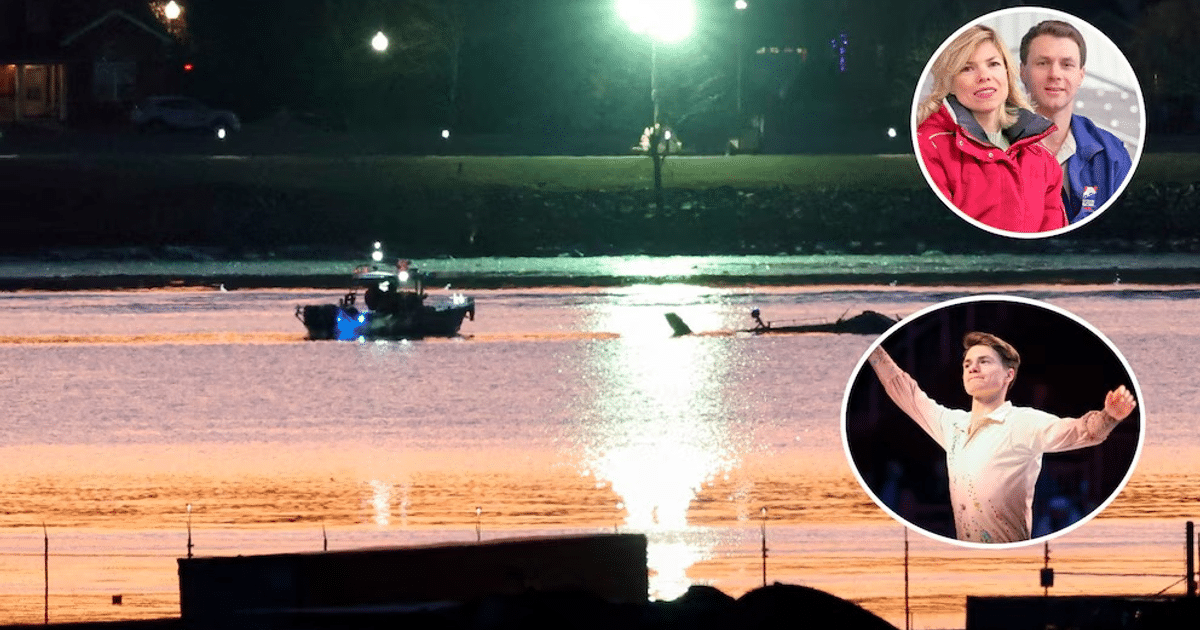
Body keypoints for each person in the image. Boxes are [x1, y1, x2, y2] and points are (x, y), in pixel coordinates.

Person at [866, 332, 1136, 543]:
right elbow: (903, 389)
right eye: (967, 364)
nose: (972, 368)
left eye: (984, 362)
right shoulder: (952, 425)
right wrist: (871, 346)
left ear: (1009, 375)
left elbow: (1084, 432)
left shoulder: (1023, 423)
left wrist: (1109, 417)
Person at [916, 25, 1066, 233]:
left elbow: (1054, 241)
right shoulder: (929, 147)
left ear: (1006, 72)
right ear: (949, 82)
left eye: (993, 64)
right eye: (967, 68)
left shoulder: (1042, 159)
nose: (984, 76)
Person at [1019, 19, 1132, 223]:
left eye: (1067, 64)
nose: (1055, 74)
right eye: (1042, 63)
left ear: (1081, 75)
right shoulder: (993, 150)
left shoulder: (1112, 155)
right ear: (1022, 72)